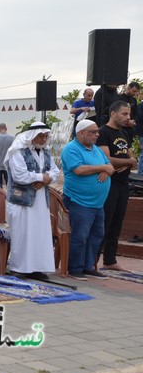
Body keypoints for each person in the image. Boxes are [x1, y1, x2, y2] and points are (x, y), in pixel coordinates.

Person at [4, 122, 59, 279]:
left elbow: (55, 171)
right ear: (31, 136)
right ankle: (19, 268)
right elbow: (19, 175)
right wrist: (43, 177)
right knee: (22, 234)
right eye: (40, 136)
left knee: (40, 234)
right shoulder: (17, 151)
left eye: (45, 136)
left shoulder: (45, 152)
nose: (43, 139)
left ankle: (37, 268)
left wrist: (45, 180)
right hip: (21, 201)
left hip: (41, 201)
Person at [61, 119, 113, 280]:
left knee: (97, 234)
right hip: (80, 201)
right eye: (93, 132)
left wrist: (107, 170)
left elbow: (110, 166)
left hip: (97, 203)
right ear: (81, 133)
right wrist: (102, 168)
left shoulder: (96, 149)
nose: (97, 135)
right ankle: (75, 268)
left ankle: (88, 266)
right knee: (80, 236)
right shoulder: (71, 149)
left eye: (97, 131)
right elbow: (79, 169)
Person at [97, 101, 136, 272]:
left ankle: (110, 260)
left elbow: (134, 161)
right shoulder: (102, 133)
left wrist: (127, 163)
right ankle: (92, 260)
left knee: (117, 223)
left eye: (129, 114)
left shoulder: (124, 134)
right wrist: (127, 162)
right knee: (105, 221)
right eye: (124, 114)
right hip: (108, 183)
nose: (128, 117)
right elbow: (107, 161)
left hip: (123, 183)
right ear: (113, 113)